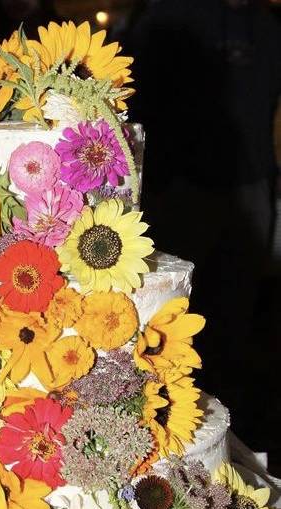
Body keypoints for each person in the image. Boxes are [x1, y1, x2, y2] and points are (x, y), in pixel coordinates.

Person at [127, 0, 280, 447]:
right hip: (183, 195)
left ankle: (233, 431)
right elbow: (138, 106)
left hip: (251, 189)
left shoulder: (268, 26)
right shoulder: (167, 19)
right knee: (175, 318)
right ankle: (172, 429)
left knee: (238, 315)